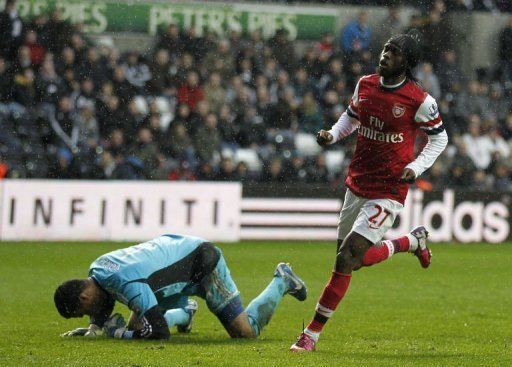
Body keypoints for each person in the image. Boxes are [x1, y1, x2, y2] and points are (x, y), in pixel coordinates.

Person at [290, 33, 448, 352]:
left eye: (394, 52)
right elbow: (351, 117)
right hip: (357, 181)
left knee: (348, 258)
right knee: (349, 260)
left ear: (407, 62)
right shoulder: (365, 84)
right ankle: (410, 241)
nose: (386, 54)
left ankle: (311, 334)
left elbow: (440, 139)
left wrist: (416, 168)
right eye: (386, 49)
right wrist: (332, 136)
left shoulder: (420, 100)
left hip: (389, 188)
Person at [55, 233, 307, 340]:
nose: (88, 314)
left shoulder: (125, 282)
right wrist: (94, 327)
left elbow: (159, 332)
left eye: (84, 312)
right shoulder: (97, 269)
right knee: (135, 324)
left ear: (85, 296)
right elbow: (105, 298)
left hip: (201, 262)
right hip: (173, 261)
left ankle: (282, 279)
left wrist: (116, 332)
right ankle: (186, 312)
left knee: (244, 332)